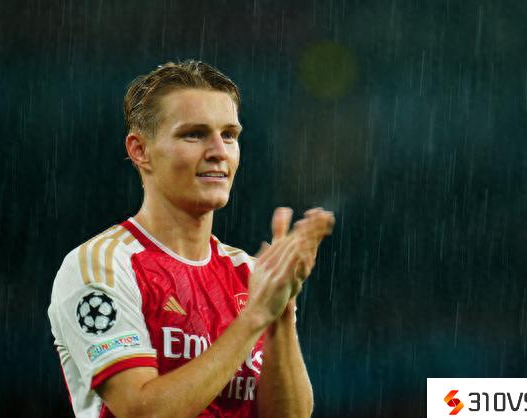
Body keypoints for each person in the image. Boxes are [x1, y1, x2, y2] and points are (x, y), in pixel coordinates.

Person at [47, 60, 334, 418]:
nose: (219, 151)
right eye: (194, 134)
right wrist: (254, 317)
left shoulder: (249, 273)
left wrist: (281, 311)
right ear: (140, 150)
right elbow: (142, 413)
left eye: (229, 135)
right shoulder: (103, 266)